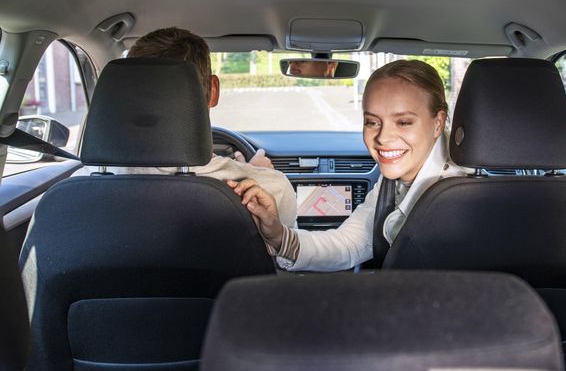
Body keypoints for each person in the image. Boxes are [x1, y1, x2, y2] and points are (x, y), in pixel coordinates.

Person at [228, 59, 465, 270]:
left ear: (438, 122)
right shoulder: (393, 179)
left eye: (403, 122)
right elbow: (349, 244)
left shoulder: (458, 195)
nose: (383, 138)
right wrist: (278, 235)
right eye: (372, 122)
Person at [76, 27, 297, 228]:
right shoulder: (269, 189)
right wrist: (255, 172)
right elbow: (287, 250)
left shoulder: (74, 189)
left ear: (122, 94)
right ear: (213, 90)